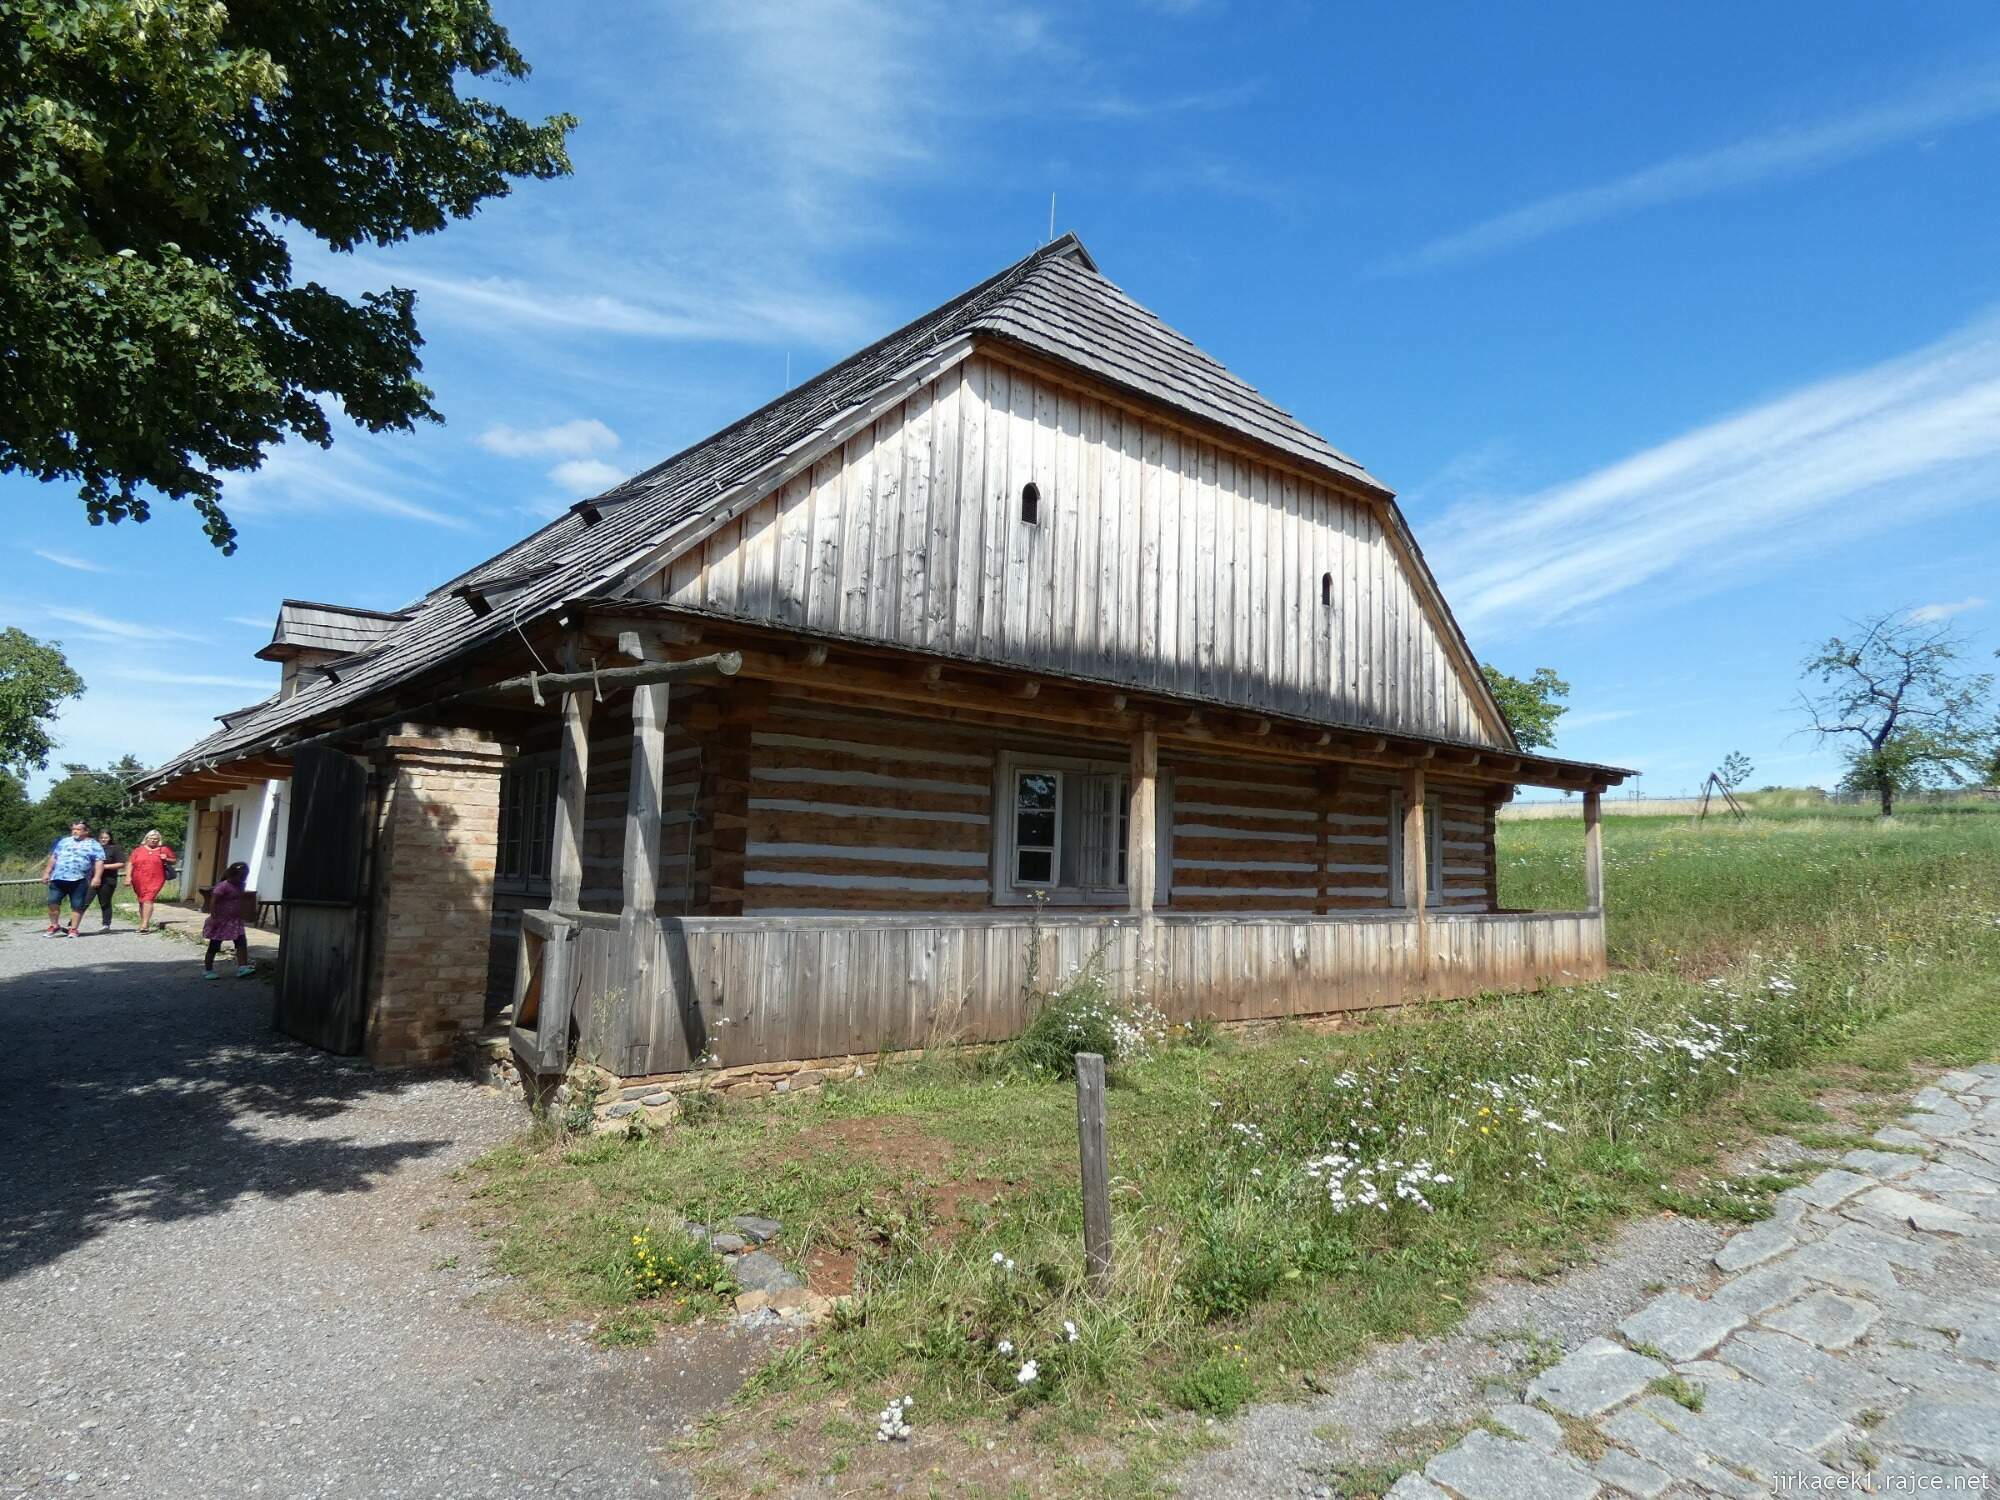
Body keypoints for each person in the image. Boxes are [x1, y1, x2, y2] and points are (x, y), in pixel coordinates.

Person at [41, 820, 105, 938]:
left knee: (77, 905)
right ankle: (54, 925)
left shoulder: (94, 844)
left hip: (79, 879)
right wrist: (46, 873)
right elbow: (54, 857)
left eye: (78, 829)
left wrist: (97, 877)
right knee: (52, 901)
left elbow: (99, 861)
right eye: (73, 829)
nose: (75, 831)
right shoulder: (63, 842)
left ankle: (74, 929)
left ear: (86, 831)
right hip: (58, 878)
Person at [202, 861, 256, 979]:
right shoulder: (223, 886)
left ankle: (242, 967)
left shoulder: (241, 885)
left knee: (241, 943)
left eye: (244, 877)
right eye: (240, 876)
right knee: (214, 945)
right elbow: (213, 901)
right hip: (221, 921)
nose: (242, 879)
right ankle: (208, 970)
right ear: (232, 874)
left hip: (235, 921)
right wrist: (214, 917)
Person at [125, 829, 178, 933]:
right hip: (138, 879)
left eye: (156, 839)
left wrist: (166, 858)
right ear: (146, 839)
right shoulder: (138, 850)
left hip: (156, 879)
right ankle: (143, 922)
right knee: (142, 901)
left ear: (159, 840)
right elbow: (130, 863)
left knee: (148, 899)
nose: (154, 840)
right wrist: (128, 877)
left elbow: (174, 860)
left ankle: (145, 925)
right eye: (152, 838)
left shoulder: (164, 849)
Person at [91, 825, 125, 931]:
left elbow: (121, 863)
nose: (103, 839)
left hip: (108, 879)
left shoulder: (115, 848)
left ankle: (106, 924)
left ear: (110, 838)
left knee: (105, 902)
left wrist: (104, 866)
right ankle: (72, 924)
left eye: (106, 837)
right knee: (84, 900)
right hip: (91, 878)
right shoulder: (93, 848)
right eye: (101, 837)